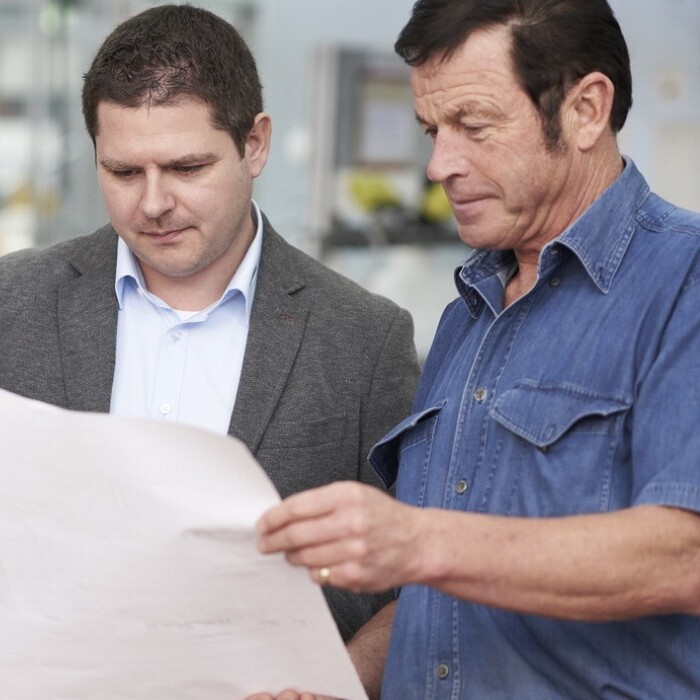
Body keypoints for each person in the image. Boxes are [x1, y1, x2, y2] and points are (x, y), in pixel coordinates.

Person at [254, 0, 700, 698]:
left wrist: (418, 540)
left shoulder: (686, 282)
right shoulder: (469, 315)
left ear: (586, 110)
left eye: (473, 126)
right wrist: (336, 681)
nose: (438, 165)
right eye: (432, 129)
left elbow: (685, 557)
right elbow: (439, 600)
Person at [0, 4, 420, 648]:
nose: (154, 203)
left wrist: (346, 684)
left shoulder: (365, 339)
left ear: (255, 144)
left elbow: (412, 584)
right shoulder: (14, 302)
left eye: (188, 168)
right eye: (123, 171)